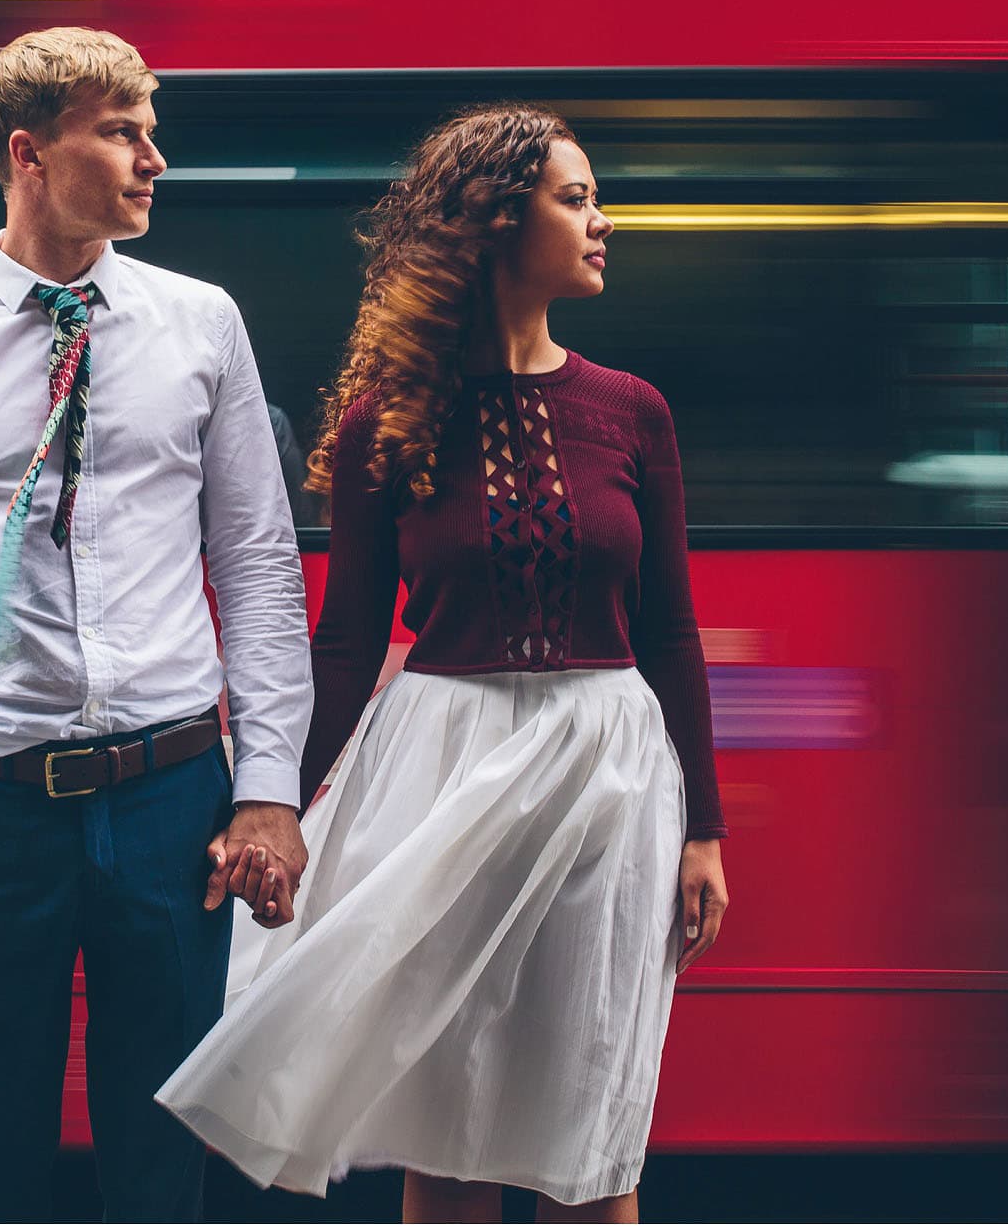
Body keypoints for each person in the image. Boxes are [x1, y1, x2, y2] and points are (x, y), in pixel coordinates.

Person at [156, 105, 731, 1223]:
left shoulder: (634, 414)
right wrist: (264, 801)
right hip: (442, 774)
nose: (602, 221)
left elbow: (670, 630)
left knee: (593, 1128)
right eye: (576, 199)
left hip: (611, 774)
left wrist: (703, 829)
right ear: (500, 223)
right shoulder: (386, 424)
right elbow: (347, 638)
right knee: (451, 1129)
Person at [0, 27, 313, 1222]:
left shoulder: (203, 325)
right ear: (29, 153)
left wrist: (271, 789)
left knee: (165, 1172)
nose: (155, 159)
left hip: (174, 800)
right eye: (123, 131)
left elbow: (256, 561)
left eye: (152, 130)